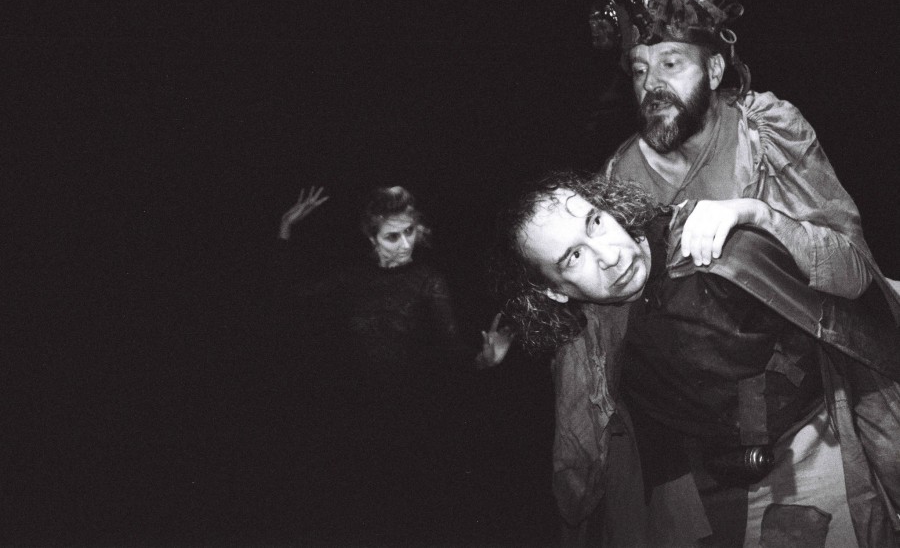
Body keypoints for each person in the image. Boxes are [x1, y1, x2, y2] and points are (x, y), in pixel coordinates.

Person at [492, 171, 900, 548]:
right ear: (554, 291)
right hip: (712, 484)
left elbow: (854, 279)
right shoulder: (585, 340)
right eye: (574, 258)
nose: (609, 256)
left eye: (595, 222)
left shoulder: (711, 246)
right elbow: (583, 461)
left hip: (814, 438)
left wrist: (759, 215)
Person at [589, 0, 900, 319]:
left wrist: (759, 216)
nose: (650, 84)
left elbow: (855, 272)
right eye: (640, 70)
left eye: (670, 64)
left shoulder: (767, 132)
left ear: (714, 71)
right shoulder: (620, 179)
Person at [277, 185, 511, 544]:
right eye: (392, 236)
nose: (405, 244)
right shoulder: (353, 277)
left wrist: (484, 360)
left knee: (408, 517)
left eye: (410, 232)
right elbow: (291, 295)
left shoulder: (428, 280)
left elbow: (452, 350)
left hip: (410, 420)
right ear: (372, 238)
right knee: (355, 518)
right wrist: (285, 228)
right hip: (355, 417)